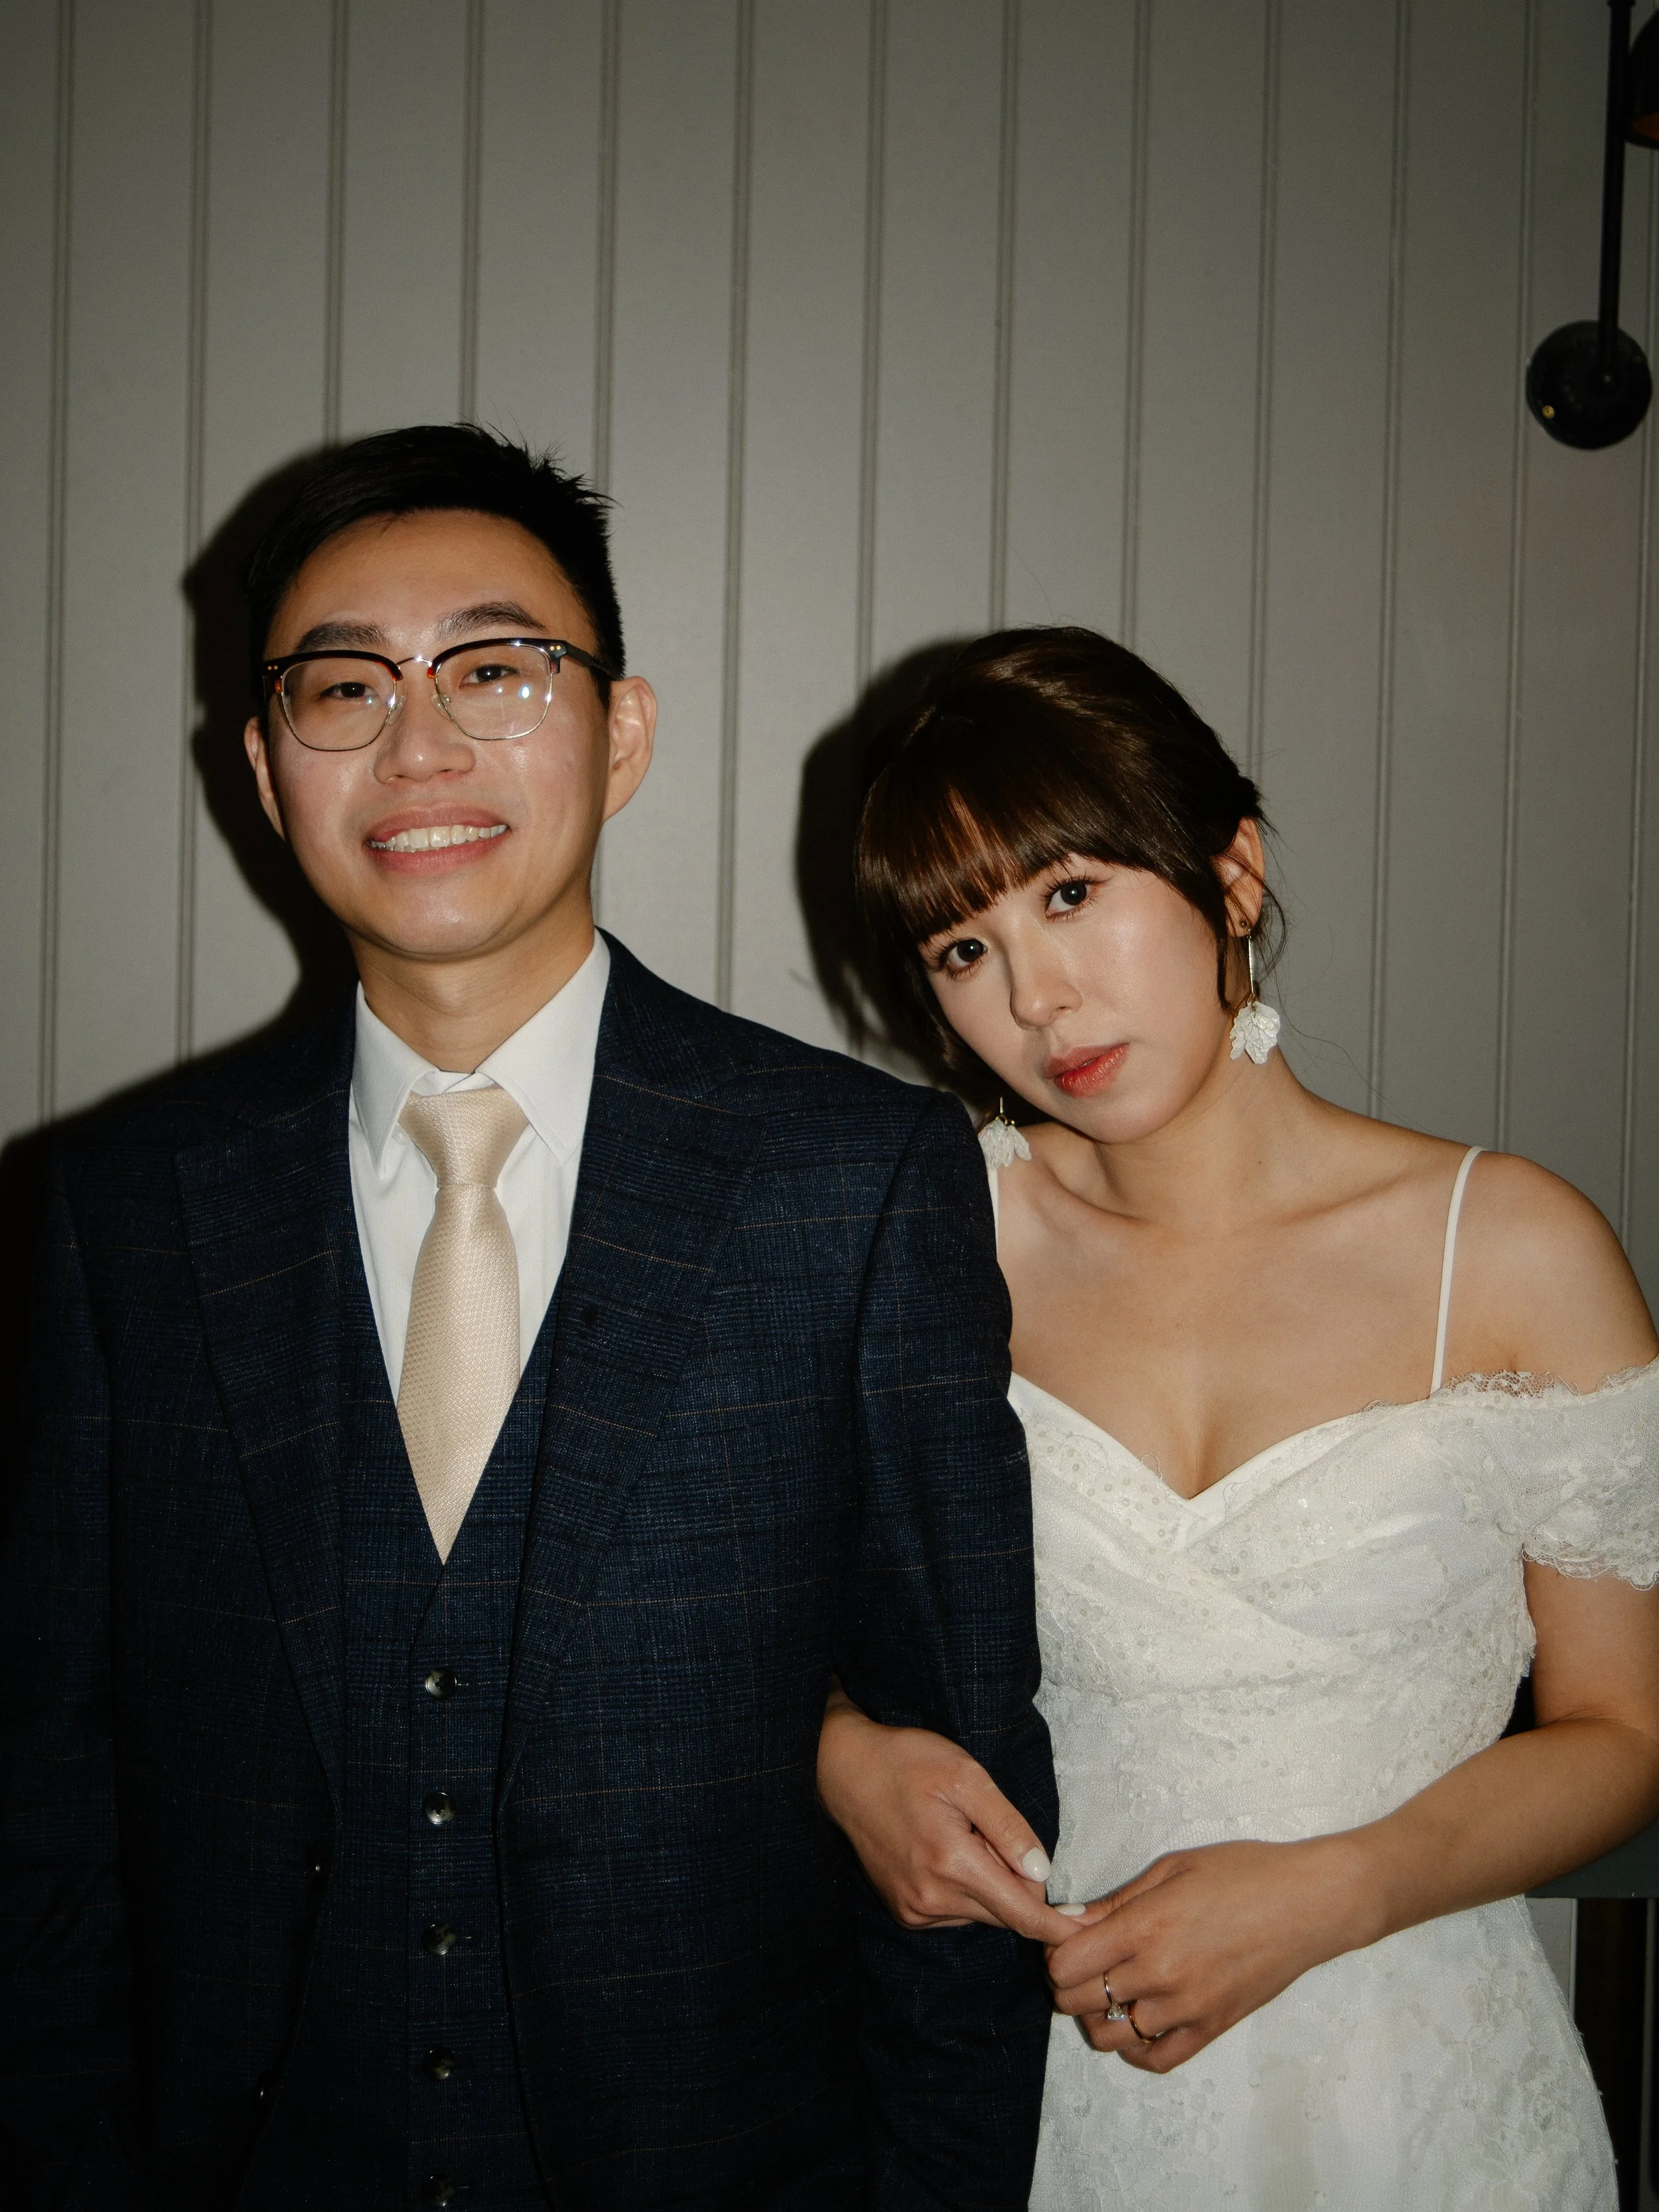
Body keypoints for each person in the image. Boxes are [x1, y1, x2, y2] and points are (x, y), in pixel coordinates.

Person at [0, 427, 1058, 2211]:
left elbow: (960, 1809)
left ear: (620, 731)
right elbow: (43, 1814)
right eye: (346, 687)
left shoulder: (854, 1183)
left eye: (495, 669)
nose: (421, 746)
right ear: (265, 769)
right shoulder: (116, 1215)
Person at [816, 626, 1659, 2210]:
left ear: (1231, 873)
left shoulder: (1511, 1246)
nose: (1036, 996)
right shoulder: (926, 1234)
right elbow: (725, 1606)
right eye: (958, 950)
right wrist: (841, 1755)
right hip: (1029, 2077)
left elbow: (1623, 1732)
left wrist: (1329, 1892)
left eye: (1069, 895)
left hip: (1409, 2074)